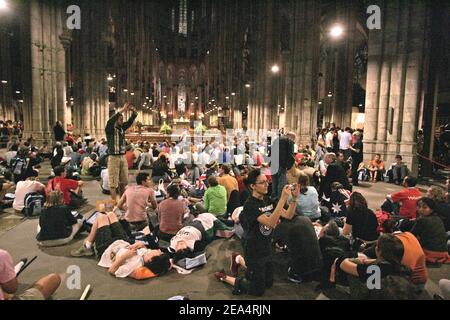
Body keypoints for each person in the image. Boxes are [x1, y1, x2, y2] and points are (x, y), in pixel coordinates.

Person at [214, 169, 298, 296]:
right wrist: (282, 199)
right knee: (257, 290)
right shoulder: (250, 205)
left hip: (267, 246)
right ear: (252, 186)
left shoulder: (268, 200)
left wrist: (294, 199)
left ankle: (238, 259)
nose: (267, 184)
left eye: (267, 181)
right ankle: (225, 277)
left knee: (268, 283)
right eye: (262, 182)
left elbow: (288, 215)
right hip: (254, 248)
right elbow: (270, 223)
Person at [71, 211, 171, 279]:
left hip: (107, 248)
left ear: (150, 260)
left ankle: (88, 245)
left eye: (158, 253)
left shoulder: (134, 265)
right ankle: (89, 241)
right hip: (123, 242)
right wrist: (141, 246)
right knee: (111, 214)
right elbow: (169, 264)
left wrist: (124, 257)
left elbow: (112, 270)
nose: (158, 250)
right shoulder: (148, 254)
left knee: (101, 217)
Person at [332, 234, 414, 299]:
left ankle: (331, 281)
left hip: (368, 295)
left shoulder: (375, 270)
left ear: (379, 251)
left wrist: (355, 260)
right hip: (387, 292)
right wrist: (366, 261)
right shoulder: (403, 268)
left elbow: (342, 263)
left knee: (351, 265)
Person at [105, 102, 138, 202]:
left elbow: (130, 121)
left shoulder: (122, 128)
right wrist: (122, 110)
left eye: (122, 119)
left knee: (124, 181)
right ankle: (114, 203)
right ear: (116, 120)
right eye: (120, 119)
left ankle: (122, 202)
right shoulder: (110, 129)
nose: (122, 121)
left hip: (122, 157)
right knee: (113, 182)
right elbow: (110, 121)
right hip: (113, 157)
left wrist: (134, 112)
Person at [410, 198, 450, 265]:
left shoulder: (422, 220)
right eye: (419, 206)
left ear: (432, 210)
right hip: (443, 253)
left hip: (430, 253)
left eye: (424, 207)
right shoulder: (438, 218)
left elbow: (411, 235)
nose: (420, 209)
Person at [270, 132, 296, 202]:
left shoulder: (276, 140)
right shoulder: (289, 141)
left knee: (274, 183)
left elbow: (270, 152)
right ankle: (280, 202)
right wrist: (288, 167)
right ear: (291, 137)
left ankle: (274, 200)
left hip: (273, 165)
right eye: (294, 139)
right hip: (282, 165)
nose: (294, 141)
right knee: (281, 184)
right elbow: (291, 156)